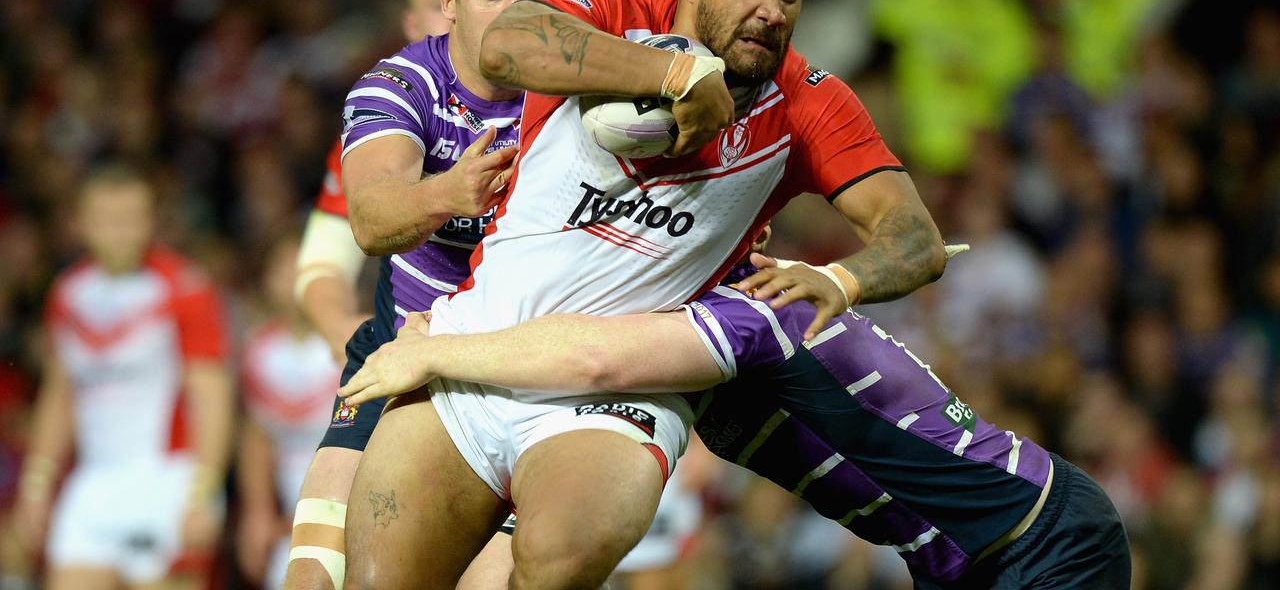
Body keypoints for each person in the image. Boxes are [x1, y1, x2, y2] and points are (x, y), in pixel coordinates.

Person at [343, 0, 946, 590]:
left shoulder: (809, 103)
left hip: (615, 400)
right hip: (465, 355)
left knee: (555, 562)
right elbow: (507, 44)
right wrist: (679, 71)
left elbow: (915, 239)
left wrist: (843, 278)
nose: (772, 11)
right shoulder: (613, 8)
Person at [343, 227, 1131, 588]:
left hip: (1041, 537)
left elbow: (591, 355)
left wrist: (437, 348)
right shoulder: (688, 346)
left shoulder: (749, 312)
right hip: (959, 560)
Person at [281, 0, 551, 590]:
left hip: (527, 368)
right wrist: (449, 192)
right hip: (403, 345)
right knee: (314, 569)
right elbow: (354, 236)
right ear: (444, 6)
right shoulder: (393, 97)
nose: (514, 16)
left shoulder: (580, 97)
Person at [14, 164, 234, 590]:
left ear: (151, 220)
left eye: (131, 219)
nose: (120, 231)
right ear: (81, 223)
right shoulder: (67, 293)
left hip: (167, 482)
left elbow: (212, 395)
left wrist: (204, 492)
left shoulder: (184, 286)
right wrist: (37, 484)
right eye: (108, 220)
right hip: (93, 485)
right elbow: (61, 394)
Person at [295, 0, 451, 364]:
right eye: (438, 5)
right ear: (411, 25)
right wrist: (344, 332)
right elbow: (323, 265)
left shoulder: (542, 117)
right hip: (414, 356)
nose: (454, 19)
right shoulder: (372, 134)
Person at [238, 234, 341, 590]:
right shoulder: (259, 351)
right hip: (288, 523)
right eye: (286, 269)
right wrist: (258, 513)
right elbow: (257, 434)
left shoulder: (351, 347)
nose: (297, 280)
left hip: (343, 511)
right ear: (266, 279)